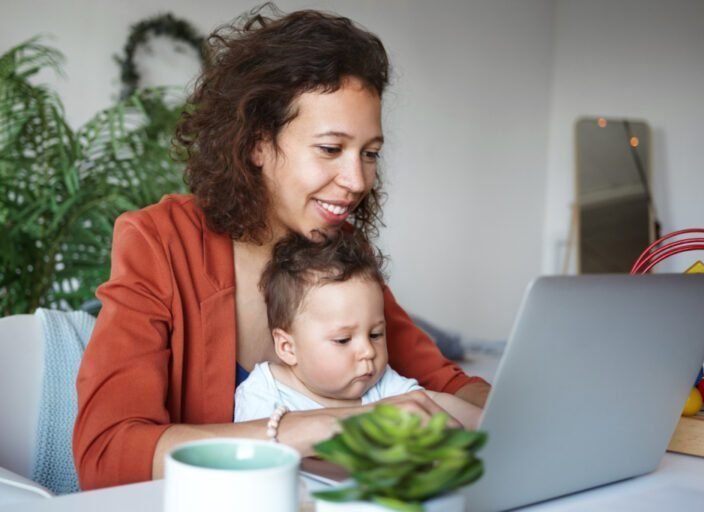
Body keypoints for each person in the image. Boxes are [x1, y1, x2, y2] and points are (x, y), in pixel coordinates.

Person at [73, 6, 490, 490]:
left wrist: (509, 413)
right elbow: (106, 455)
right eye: (330, 149)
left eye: (370, 153)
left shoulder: (340, 251)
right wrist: (326, 427)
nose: (357, 181)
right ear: (257, 143)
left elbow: (448, 384)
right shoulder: (161, 241)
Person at [234, 231, 481, 428]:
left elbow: (433, 404)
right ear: (288, 347)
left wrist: (485, 423)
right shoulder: (264, 392)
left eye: (375, 334)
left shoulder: (381, 384)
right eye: (343, 339)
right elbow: (257, 453)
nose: (368, 351)